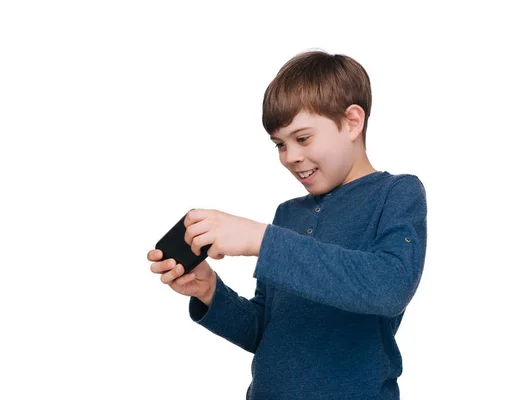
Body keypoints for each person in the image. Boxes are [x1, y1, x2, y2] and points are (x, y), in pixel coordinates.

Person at [147, 49, 427, 400]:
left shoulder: (397, 193)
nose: (290, 156)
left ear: (353, 122)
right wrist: (210, 292)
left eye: (303, 138)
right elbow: (265, 333)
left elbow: (389, 286)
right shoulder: (288, 215)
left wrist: (262, 240)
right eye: (280, 144)